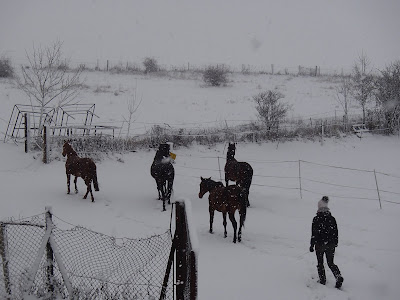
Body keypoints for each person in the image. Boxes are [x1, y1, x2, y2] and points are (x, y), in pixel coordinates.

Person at [309, 196, 344, 288]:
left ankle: (322, 280)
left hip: (319, 245)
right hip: (331, 244)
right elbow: (336, 231)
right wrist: (335, 242)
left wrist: (312, 245)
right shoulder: (332, 218)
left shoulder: (316, 219)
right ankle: (338, 276)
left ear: (319, 208)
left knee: (320, 263)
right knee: (330, 263)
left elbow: (314, 233)